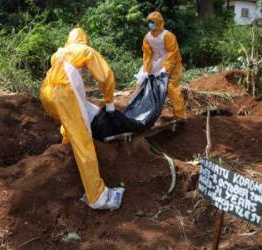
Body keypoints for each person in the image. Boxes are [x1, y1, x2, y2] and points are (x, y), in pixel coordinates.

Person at [40, 28, 125, 210]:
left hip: (47, 94)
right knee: (83, 141)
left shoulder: (59, 54)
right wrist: (109, 102)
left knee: (72, 121)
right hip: (64, 95)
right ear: (84, 40)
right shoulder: (84, 50)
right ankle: (98, 197)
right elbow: (105, 76)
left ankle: (66, 144)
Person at [136, 11, 186, 123]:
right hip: (156, 62)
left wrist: (165, 68)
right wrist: (146, 69)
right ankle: (147, 113)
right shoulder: (147, 37)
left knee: (172, 88)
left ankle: (180, 116)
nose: (150, 24)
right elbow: (147, 54)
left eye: (152, 22)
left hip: (173, 64)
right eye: (149, 22)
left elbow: (173, 53)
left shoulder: (167, 35)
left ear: (158, 22)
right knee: (145, 84)